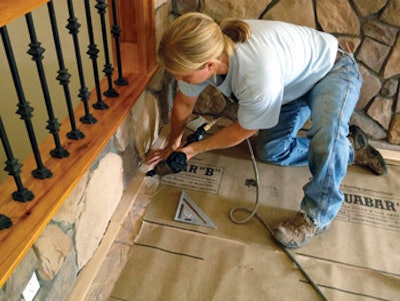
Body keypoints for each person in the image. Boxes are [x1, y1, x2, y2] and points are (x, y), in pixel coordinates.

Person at [145, 12, 387, 248]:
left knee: (327, 137)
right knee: (272, 151)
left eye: (185, 76)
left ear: (209, 65)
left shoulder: (255, 74)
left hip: (333, 70)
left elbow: (244, 130)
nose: (182, 80)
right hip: (291, 84)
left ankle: (316, 217)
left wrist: (193, 150)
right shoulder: (208, 49)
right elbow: (184, 103)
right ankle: (351, 150)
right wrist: (173, 143)